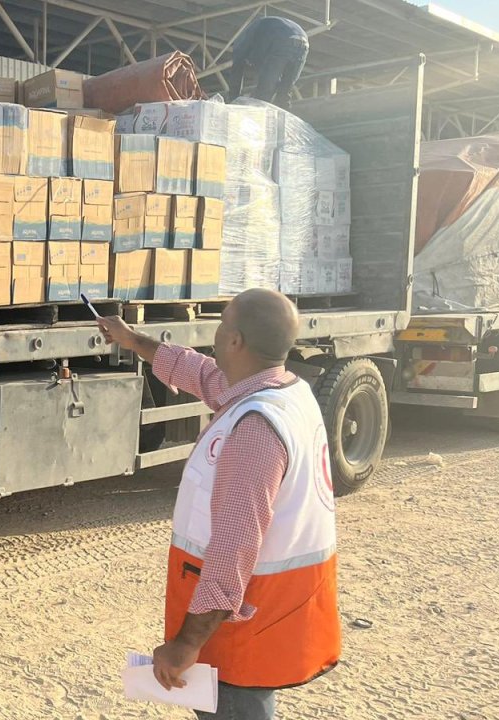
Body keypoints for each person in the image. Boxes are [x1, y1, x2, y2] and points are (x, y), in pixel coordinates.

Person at [98, 289, 340, 720]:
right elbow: (203, 374)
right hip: (272, 614)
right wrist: (133, 340)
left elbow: (234, 547)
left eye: (222, 323)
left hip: (242, 625)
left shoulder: (253, 429)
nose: (216, 333)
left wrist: (186, 644)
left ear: (235, 342)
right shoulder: (286, 390)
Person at [229, 16, 310, 107]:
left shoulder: (240, 45)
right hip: (304, 44)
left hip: (282, 40)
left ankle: (259, 116)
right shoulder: (259, 35)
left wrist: (233, 101)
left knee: (264, 91)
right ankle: (283, 115)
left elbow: (236, 73)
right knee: (285, 92)